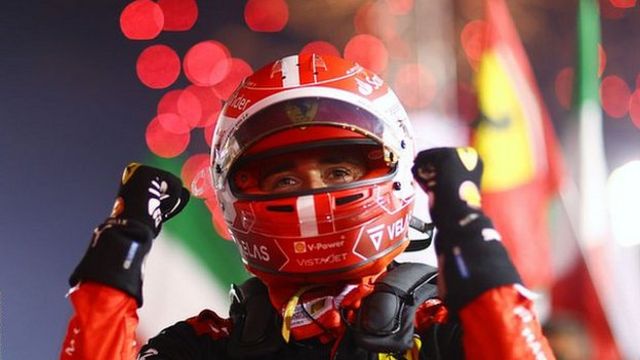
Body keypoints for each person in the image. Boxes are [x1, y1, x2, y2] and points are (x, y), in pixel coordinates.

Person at [60, 54, 554, 359]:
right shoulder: (207, 347)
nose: (312, 195)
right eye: (286, 178)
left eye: (339, 173)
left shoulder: (441, 330)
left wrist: (470, 234)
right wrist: (116, 257)